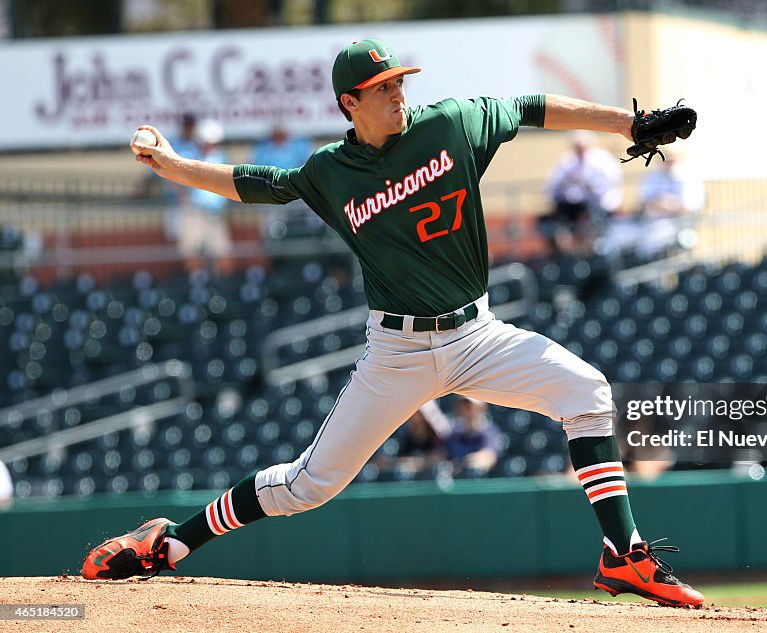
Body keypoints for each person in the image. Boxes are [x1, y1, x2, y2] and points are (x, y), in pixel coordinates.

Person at [82, 38, 704, 608]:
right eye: (382, 87)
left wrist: (630, 122)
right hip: (396, 353)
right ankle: (170, 543)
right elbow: (251, 182)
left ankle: (624, 557)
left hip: (476, 336)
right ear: (350, 102)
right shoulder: (329, 171)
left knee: (588, 392)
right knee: (308, 487)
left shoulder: (452, 124)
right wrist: (171, 163)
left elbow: (533, 106)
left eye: (399, 81)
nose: (397, 92)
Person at [537, 130, 622, 256]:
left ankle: (585, 249)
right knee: (551, 218)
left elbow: (609, 184)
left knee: (586, 215)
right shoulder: (567, 161)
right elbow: (554, 184)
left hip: (597, 204)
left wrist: (587, 184)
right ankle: (565, 250)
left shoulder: (602, 160)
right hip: (573, 204)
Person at [177, 119, 232, 276]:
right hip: (194, 211)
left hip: (216, 212)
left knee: (222, 250)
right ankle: (197, 285)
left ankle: (222, 288)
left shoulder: (220, 156)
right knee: (192, 252)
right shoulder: (187, 155)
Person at [444, 396, 501, 476]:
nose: (466, 410)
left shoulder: (490, 431)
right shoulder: (454, 431)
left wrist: (463, 463)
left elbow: (490, 458)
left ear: (481, 408)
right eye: (463, 405)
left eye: (470, 406)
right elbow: (443, 455)